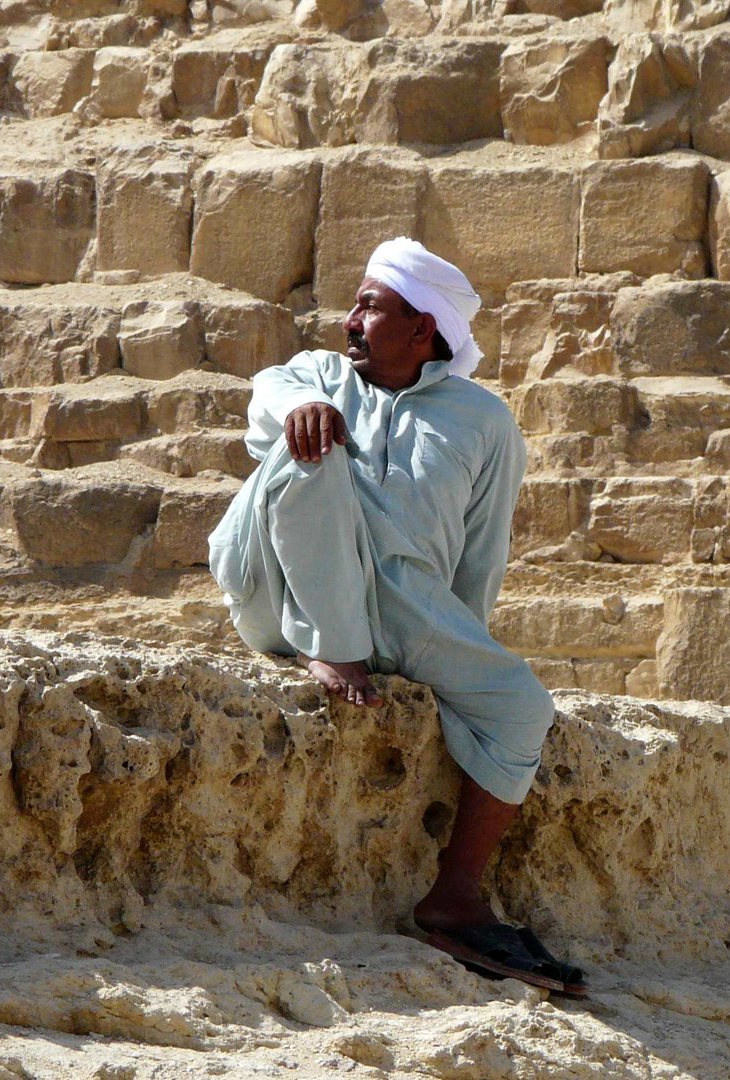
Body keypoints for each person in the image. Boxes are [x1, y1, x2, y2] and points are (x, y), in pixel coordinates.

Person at [209, 237, 585, 996]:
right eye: (355, 303)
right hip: (285, 596)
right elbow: (268, 389)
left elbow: (481, 551)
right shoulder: (317, 377)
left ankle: (455, 899)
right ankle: (333, 648)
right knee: (312, 449)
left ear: (422, 331)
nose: (349, 319)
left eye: (369, 307)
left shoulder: (483, 422)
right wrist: (304, 408)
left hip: (406, 608)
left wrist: (460, 647)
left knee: (519, 705)